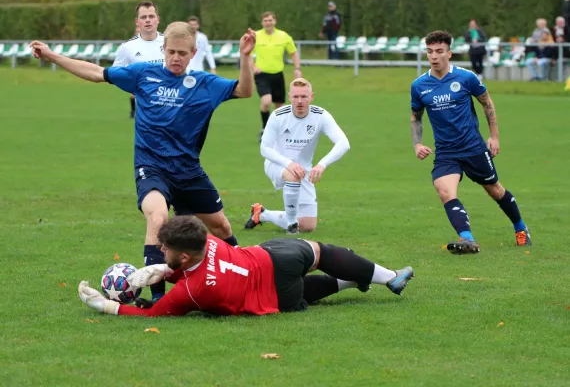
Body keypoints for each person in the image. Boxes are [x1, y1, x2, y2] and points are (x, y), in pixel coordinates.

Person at [31, 22, 256, 301]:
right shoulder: (143, 74)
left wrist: (245, 57)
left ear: (193, 53)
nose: (176, 57)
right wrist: (53, 56)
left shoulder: (205, 84)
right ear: (163, 49)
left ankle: (247, 271)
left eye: (182, 53)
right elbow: (95, 73)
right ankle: (159, 298)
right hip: (151, 167)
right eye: (171, 51)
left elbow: (245, 91)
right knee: (158, 217)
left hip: (188, 172)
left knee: (221, 227)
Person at [77, 215, 415, 317]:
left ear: (182, 257)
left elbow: (153, 314)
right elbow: (193, 264)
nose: (159, 248)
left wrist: (106, 305)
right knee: (321, 251)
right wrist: (166, 269)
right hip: (272, 257)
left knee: (302, 295)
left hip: (273, 299)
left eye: (164, 247)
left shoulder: (193, 292)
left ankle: (352, 280)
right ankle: (386, 277)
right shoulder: (207, 241)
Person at [409, 30, 531, 254]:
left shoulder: (466, 78)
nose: (434, 56)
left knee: (495, 190)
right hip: (446, 152)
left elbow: (487, 103)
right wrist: (417, 143)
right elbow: (416, 116)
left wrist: (494, 137)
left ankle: (520, 227)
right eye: (429, 52)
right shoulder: (419, 85)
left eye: (439, 51)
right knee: (444, 190)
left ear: (449, 53)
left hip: (473, 147)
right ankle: (467, 239)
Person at [245, 78, 350, 234]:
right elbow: (265, 149)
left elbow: (343, 143)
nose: (299, 101)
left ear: (311, 97)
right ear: (289, 97)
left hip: (303, 169)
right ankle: (291, 226)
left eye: (304, 97)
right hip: (277, 164)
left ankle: (261, 214)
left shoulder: (320, 115)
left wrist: (322, 164)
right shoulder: (278, 115)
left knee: (308, 226)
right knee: (293, 176)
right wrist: (289, 163)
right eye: (295, 97)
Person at [250, 11, 302, 141]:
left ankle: (278, 131)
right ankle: (265, 128)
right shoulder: (256, 35)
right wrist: (253, 67)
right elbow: (248, 54)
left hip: (278, 75)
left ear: (275, 21)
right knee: (266, 101)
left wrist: (297, 69)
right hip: (262, 75)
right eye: (265, 20)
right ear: (262, 23)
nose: (268, 23)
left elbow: (294, 53)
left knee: (280, 106)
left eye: (270, 20)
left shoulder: (283, 36)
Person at [113, 1, 165, 119]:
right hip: (144, 113)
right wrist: (134, 87)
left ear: (158, 19)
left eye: (151, 16)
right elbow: (115, 75)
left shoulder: (169, 42)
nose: (148, 20)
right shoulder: (127, 47)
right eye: (143, 17)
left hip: (171, 108)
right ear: (137, 22)